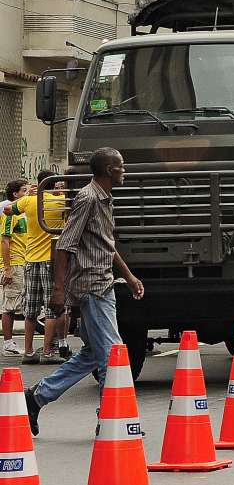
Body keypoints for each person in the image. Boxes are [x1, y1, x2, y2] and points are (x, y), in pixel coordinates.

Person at [24, 148, 144, 436]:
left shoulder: (104, 198)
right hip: (92, 286)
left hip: (103, 282)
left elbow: (106, 243)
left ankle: (36, 397)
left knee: (93, 353)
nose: (124, 170)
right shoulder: (88, 198)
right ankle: (112, 417)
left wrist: (127, 275)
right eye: (120, 166)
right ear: (108, 171)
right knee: (113, 354)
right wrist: (58, 290)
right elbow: (65, 245)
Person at [7, 171, 65, 365]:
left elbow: (8, 210)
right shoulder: (61, 201)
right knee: (51, 309)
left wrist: (30, 195)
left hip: (30, 260)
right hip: (52, 260)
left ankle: (29, 352)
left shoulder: (29, 201)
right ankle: (48, 352)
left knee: (30, 310)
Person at [0, 179, 28, 356]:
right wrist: (8, 268)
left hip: (24, 261)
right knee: (9, 304)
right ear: (15, 194)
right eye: (24, 190)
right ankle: (8, 343)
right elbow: (5, 240)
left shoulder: (24, 213)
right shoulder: (10, 214)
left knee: (19, 303)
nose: (28, 193)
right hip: (15, 263)